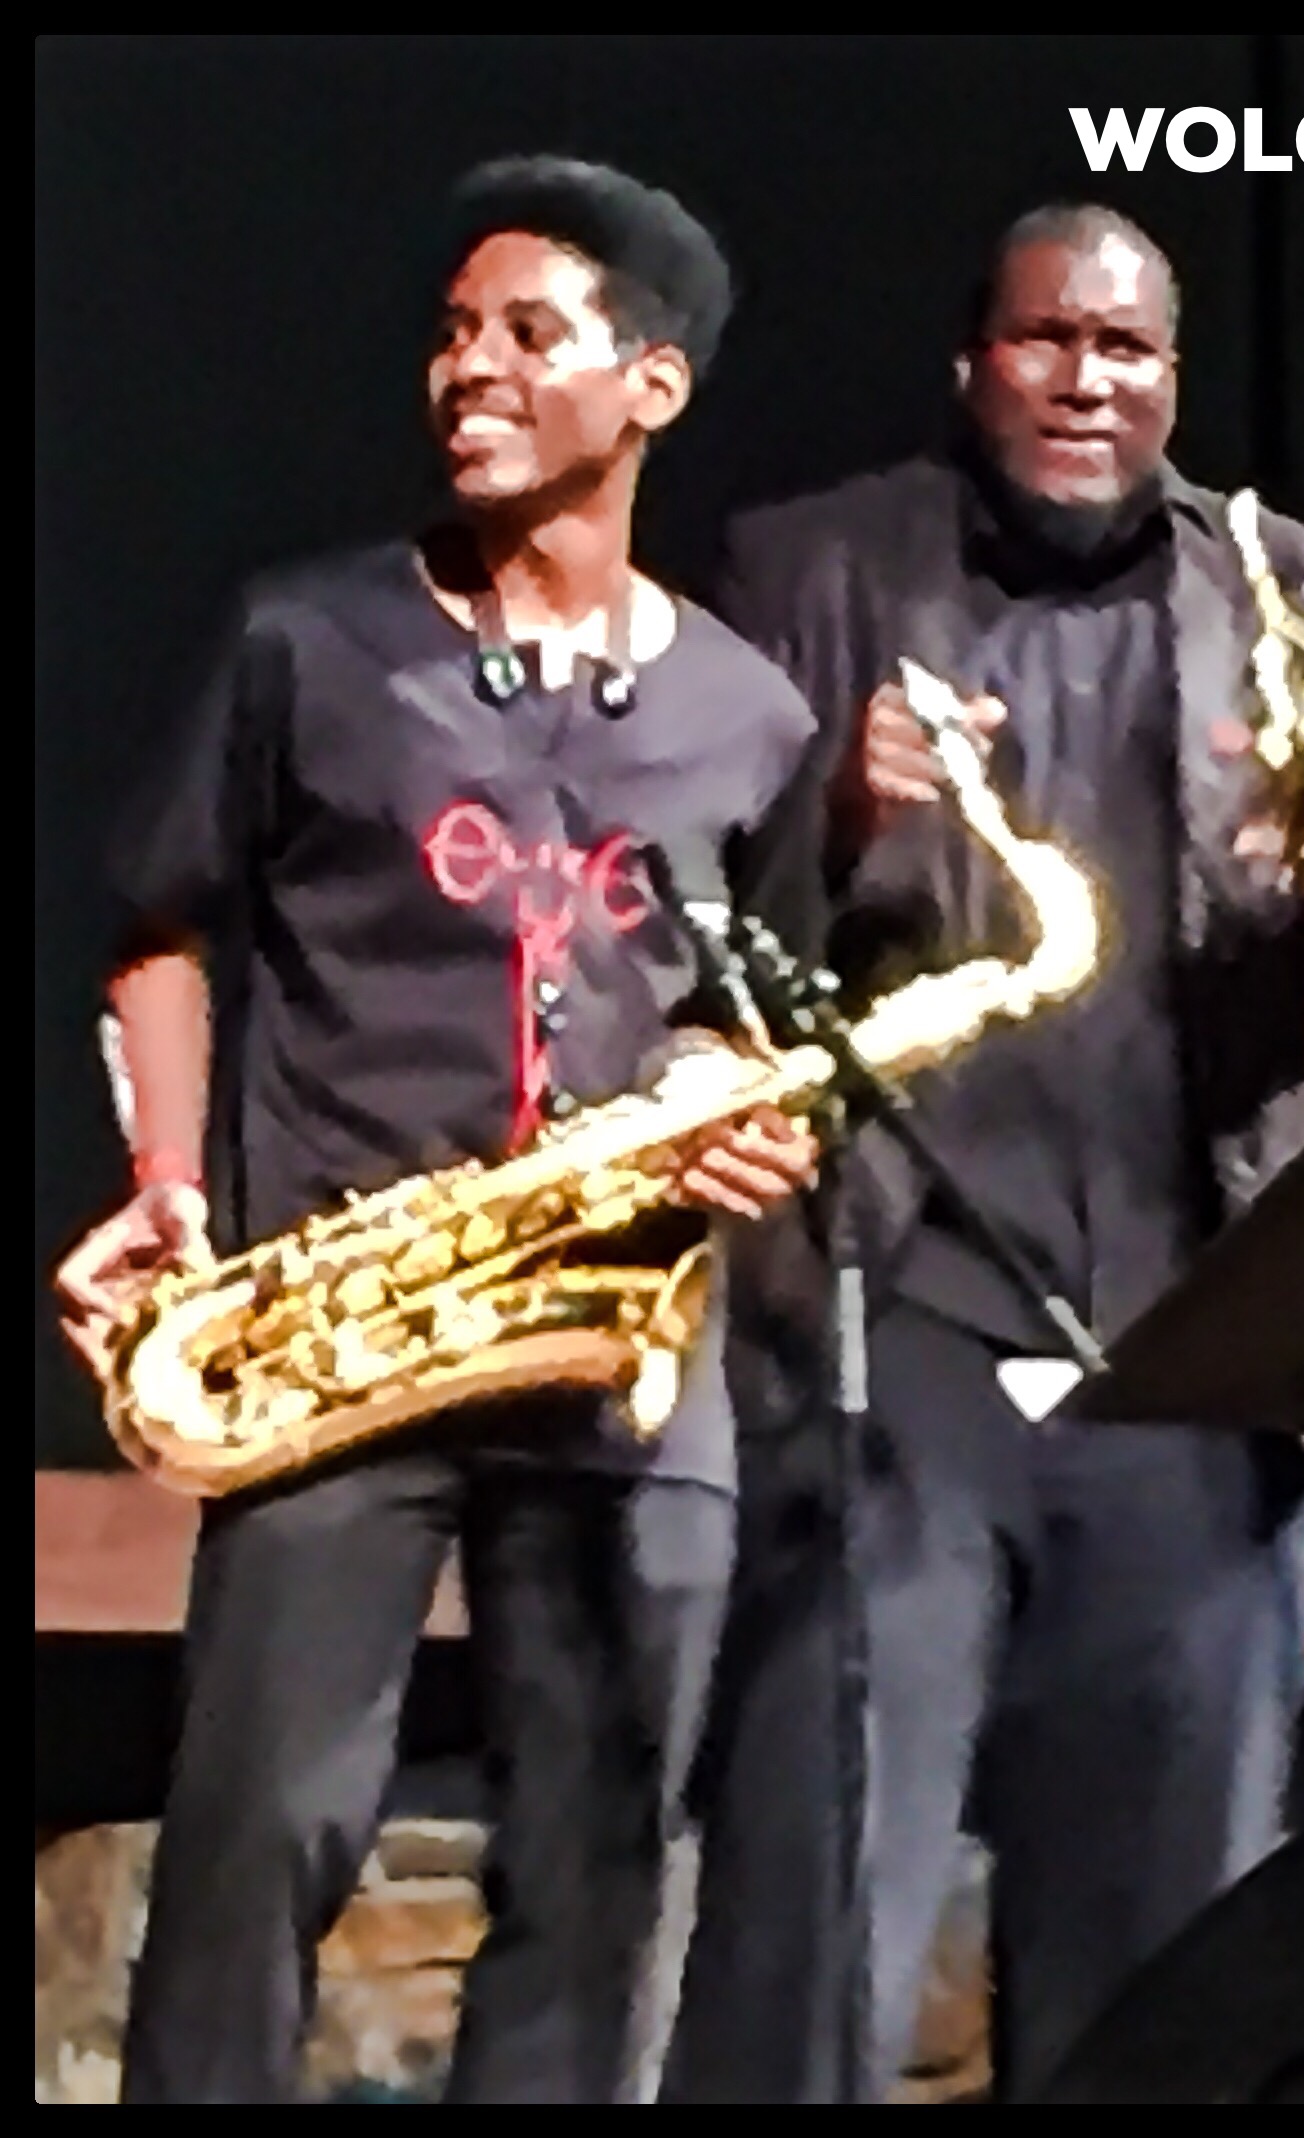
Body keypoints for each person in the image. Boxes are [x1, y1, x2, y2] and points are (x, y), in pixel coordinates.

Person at [661, 201, 1304, 2104]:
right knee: (820, 1929)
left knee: (1164, 1949)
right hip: (894, 1325)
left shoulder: (1293, 585)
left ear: (1173, 377)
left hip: (1199, 1340)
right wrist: (839, 815)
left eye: (1128, 351)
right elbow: (679, 917)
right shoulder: (807, 563)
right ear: (974, 362)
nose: (1089, 381)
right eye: (1049, 341)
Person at [52, 155, 821, 2104]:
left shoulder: (753, 714)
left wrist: (749, 1125)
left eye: (528, 333)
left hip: (621, 1343)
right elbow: (157, 926)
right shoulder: (306, 639)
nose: (468, 368)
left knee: (600, 1849)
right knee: (262, 1830)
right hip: (349, 1332)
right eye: (454, 333)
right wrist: (168, 1184)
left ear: (651, 385)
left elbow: (756, 1017)